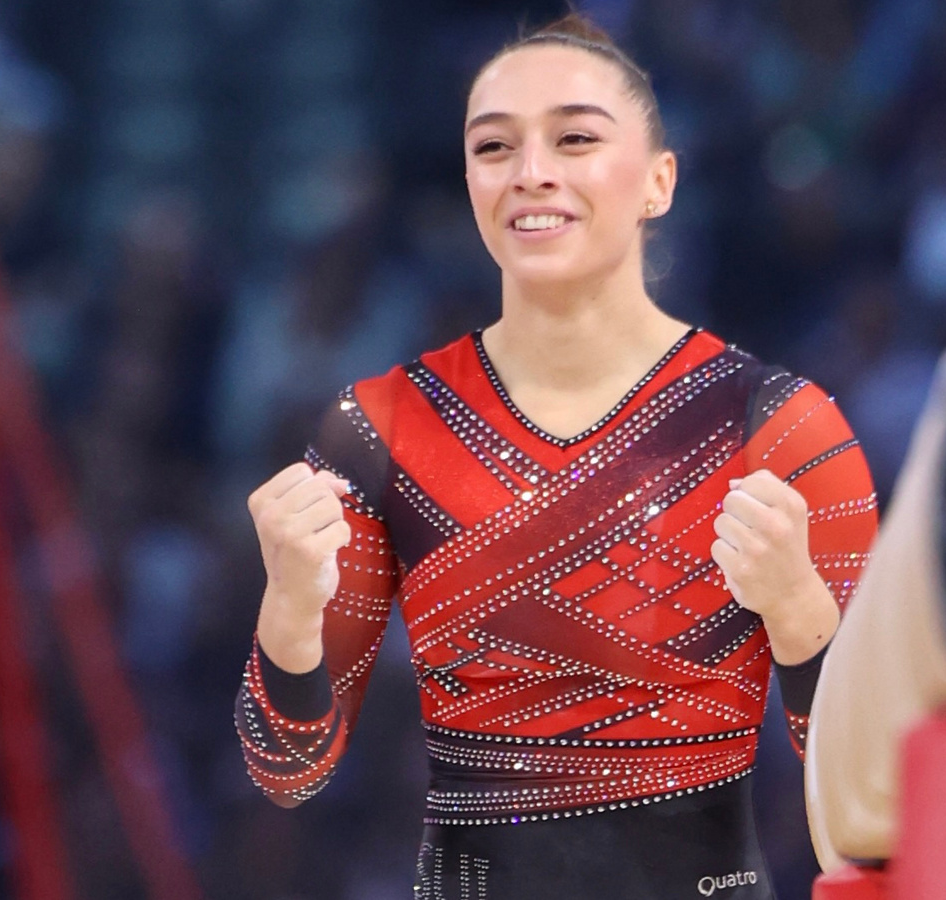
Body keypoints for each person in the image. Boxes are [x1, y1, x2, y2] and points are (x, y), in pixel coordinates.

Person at [233, 14, 878, 899]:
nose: (532, 172)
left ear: (659, 182)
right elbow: (286, 767)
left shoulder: (778, 429)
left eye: (574, 138)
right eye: (495, 146)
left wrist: (798, 609)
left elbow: (876, 785)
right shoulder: (381, 427)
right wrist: (290, 614)